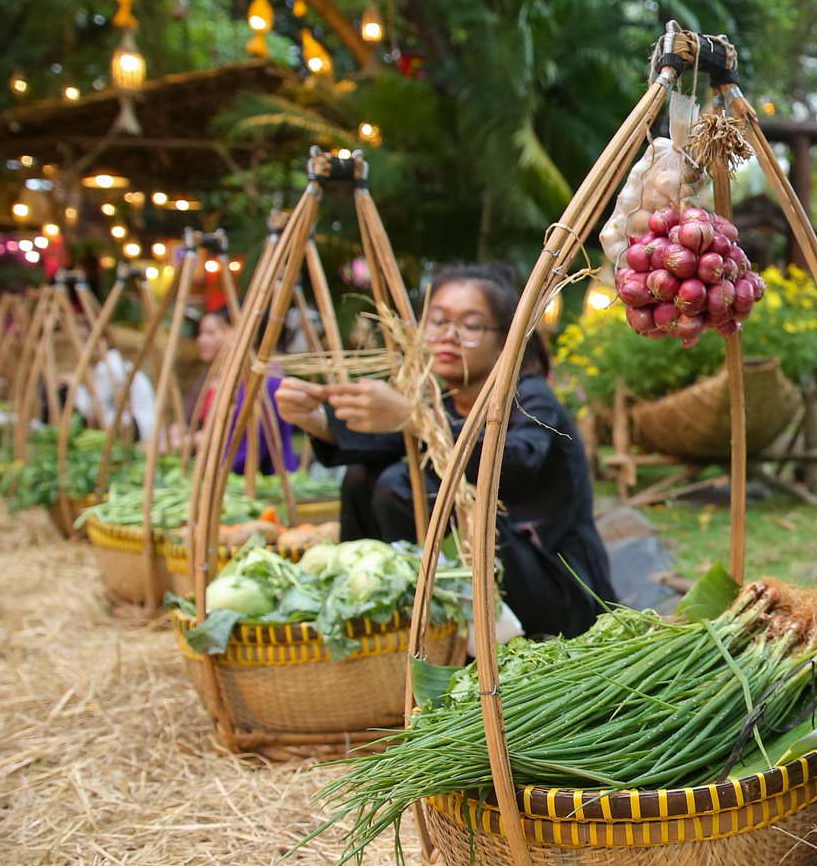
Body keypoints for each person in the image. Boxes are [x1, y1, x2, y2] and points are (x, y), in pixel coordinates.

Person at [273, 264, 613, 638]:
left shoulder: (531, 399)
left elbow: (516, 462)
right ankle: (368, 611)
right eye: (437, 321)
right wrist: (316, 420)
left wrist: (415, 418)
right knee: (362, 477)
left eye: (469, 326)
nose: (448, 336)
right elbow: (382, 441)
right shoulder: (445, 401)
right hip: (488, 573)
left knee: (404, 484)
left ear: (506, 339)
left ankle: (442, 626)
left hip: (555, 587)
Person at [184, 308, 299, 474]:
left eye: (220, 330)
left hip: (261, 481)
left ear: (249, 334)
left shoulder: (268, 380)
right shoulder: (222, 375)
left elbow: (250, 447)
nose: (203, 339)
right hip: (226, 476)